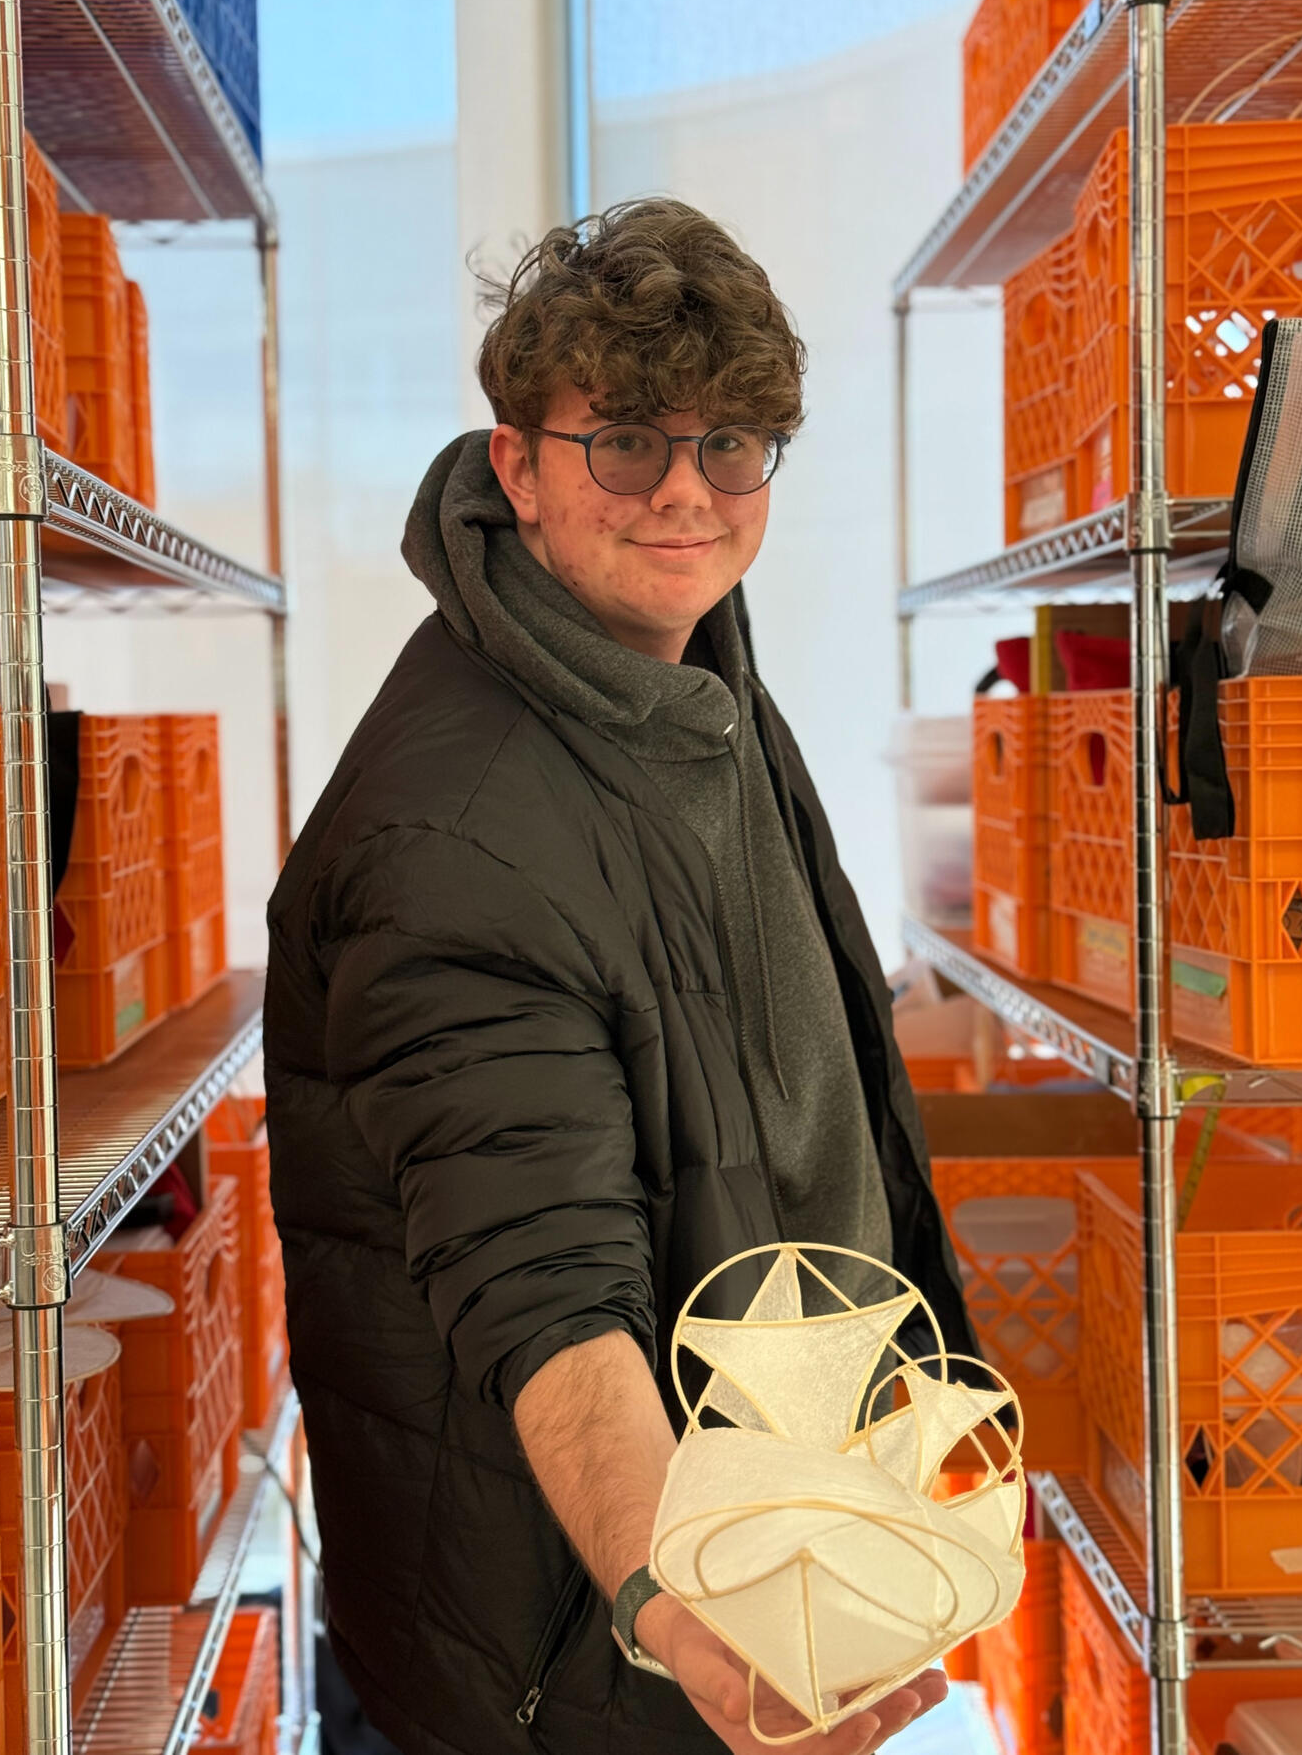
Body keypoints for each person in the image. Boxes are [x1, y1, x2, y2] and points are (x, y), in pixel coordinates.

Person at [264, 197, 981, 1755]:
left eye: (732, 445)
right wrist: (682, 1604)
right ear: (516, 464)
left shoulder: (686, 674)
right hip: (578, 1674)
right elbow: (542, 1283)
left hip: (743, 1591)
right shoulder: (456, 830)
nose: (686, 494)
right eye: (627, 442)